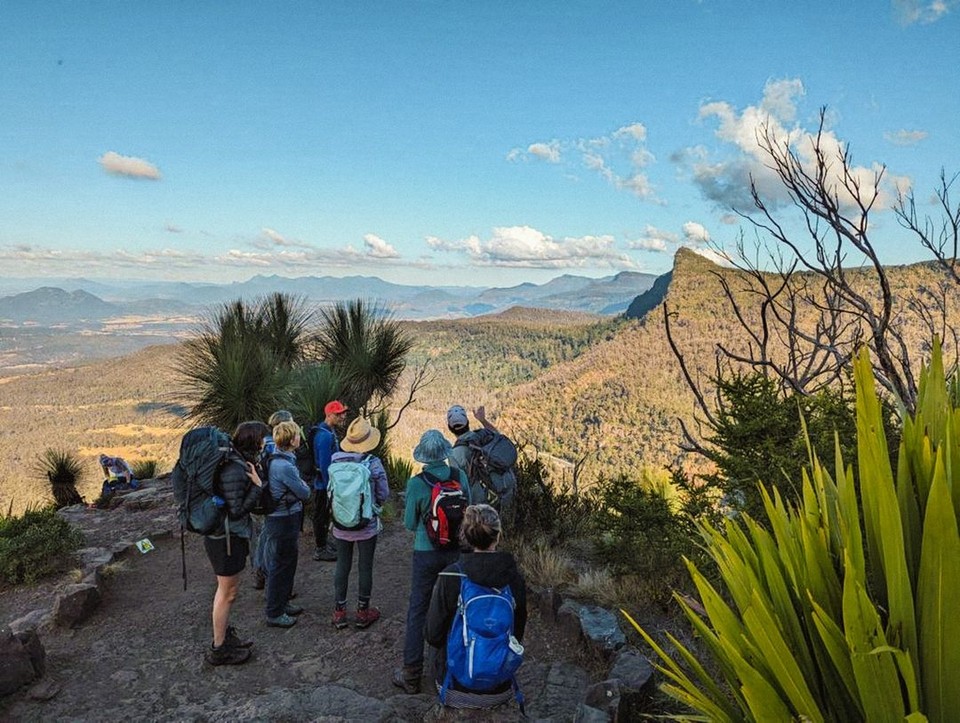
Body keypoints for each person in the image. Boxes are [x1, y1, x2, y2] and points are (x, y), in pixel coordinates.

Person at [425, 504, 527, 709]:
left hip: (455, 690)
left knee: (436, 643)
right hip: (500, 688)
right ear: (498, 536)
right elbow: (516, 633)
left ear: (465, 535)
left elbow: (432, 635)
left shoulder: (450, 576)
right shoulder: (514, 579)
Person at [393, 429, 472, 694]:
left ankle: (411, 673)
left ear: (424, 456)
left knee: (418, 609)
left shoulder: (417, 483)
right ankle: (448, 671)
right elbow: (469, 509)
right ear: (445, 453)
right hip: (456, 553)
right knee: (453, 609)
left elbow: (408, 524)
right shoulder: (459, 477)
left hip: (425, 553)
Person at [202, 421, 264, 666]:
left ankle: (224, 637)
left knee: (227, 591)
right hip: (225, 538)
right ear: (253, 441)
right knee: (226, 593)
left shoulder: (236, 462)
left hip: (225, 536)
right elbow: (236, 509)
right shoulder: (235, 469)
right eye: (262, 440)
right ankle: (219, 648)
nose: (264, 445)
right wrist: (258, 487)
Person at [329, 416, 389, 630]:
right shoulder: (372, 463)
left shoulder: (335, 462)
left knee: (342, 566)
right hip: (366, 524)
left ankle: (339, 612)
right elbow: (383, 493)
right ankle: (363, 611)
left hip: (340, 523)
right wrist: (374, 505)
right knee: (365, 567)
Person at [262, 420, 312, 628]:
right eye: (297, 435)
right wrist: (303, 486)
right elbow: (304, 492)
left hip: (282, 516)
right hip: (283, 518)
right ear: (291, 440)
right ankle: (274, 611)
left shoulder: (280, 459)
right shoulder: (284, 466)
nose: (300, 438)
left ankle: (282, 604)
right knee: (281, 564)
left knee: (286, 562)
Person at [250, 410, 294, 590]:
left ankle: (259, 573)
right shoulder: (274, 448)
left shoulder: (261, 444)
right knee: (270, 541)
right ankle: (270, 581)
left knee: (262, 538)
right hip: (272, 500)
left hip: (259, 497)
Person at [446, 405, 507, 506]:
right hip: (502, 490)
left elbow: (458, 485)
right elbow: (498, 437)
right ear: (468, 423)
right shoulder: (482, 436)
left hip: (479, 503)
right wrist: (483, 420)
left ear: (450, 428)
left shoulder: (453, 455)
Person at [312, 400, 348, 561]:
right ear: (329, 415)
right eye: (339, 414)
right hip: (323, 484)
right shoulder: (325, 436)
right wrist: (331, 487)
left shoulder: (328, 432)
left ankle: (324, 543)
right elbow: (325, 464)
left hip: (324, 483)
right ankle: (320, 548)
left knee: (324, 514)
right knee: (321, 515)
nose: (343, 416)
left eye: (343, 413)